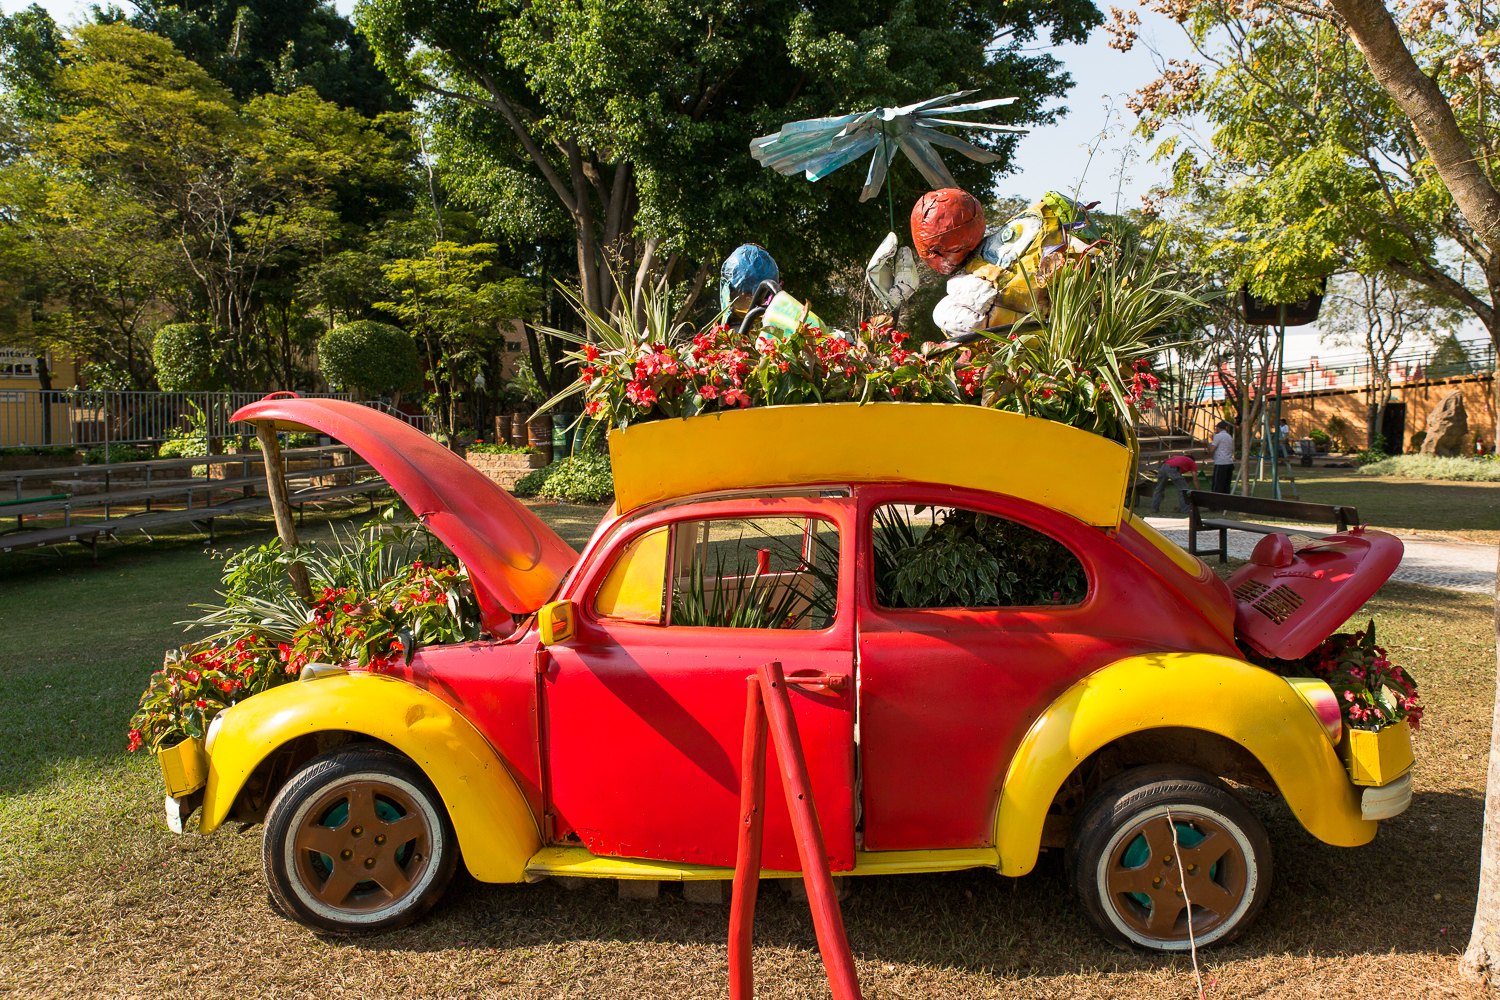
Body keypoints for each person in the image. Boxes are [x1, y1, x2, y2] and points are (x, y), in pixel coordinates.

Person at [1210, 420, 1236, 494]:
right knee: (1226, 486)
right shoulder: (1229, 436)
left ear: (1218, 428)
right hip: (1229, 462)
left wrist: (1207, 444)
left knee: (1217, 486)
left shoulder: (1218, 436)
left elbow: (1211, 450)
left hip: (1221, 463)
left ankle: (1215, 503)